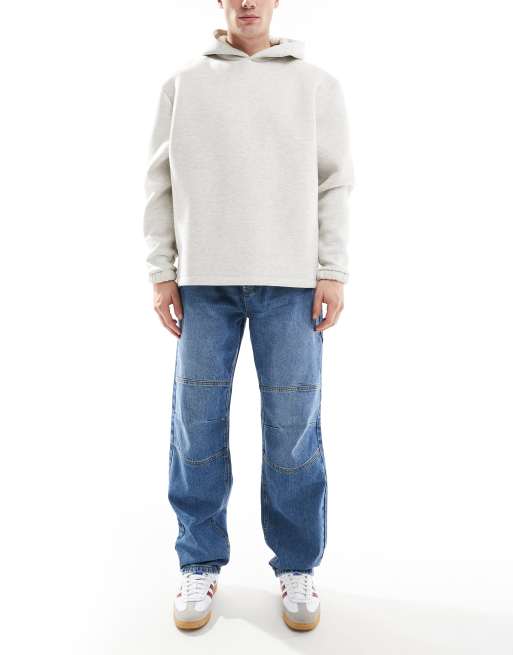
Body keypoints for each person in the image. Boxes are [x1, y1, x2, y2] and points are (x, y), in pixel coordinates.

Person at [143, 0, 354, 632]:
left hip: (291, 283)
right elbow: (159, 183)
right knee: (197, 427)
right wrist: (161, 271)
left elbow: (335, 182)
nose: (248, 2)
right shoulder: (184, 83)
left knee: (293, 432)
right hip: (202, 281)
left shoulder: (315, 84)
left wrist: (332, 269)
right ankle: (199, 562)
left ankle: (297, 565)